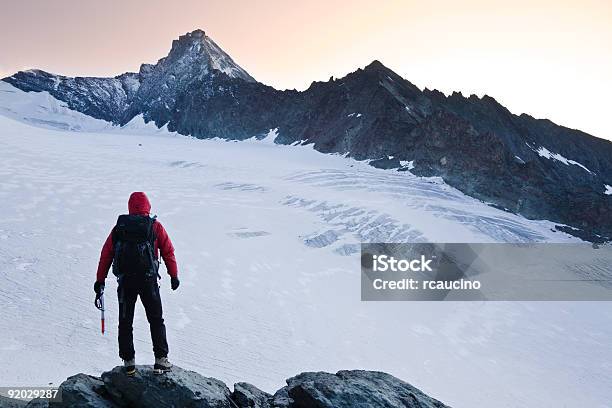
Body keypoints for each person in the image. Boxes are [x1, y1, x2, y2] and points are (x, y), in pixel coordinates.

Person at [94, 192, 180, 376]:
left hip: (126, 281)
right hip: (148, 280)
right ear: (147, 206)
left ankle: (129, 363)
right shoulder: (155, 226)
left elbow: (106, 255)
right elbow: (168, 251)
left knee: (125, 321)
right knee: (156, 319)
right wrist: (173, 275)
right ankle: (161, 360)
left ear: (130, 207)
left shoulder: (120, 228)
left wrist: (100, 281)